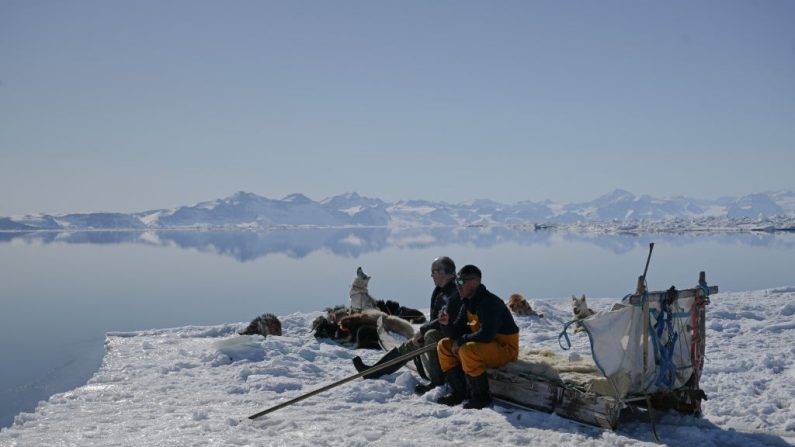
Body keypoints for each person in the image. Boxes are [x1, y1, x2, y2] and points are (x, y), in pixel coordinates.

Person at [351, 256, 462, 394]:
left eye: (433, 272)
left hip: (453, 335)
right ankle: (374, 371)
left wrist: (423, 330)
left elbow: (446, 318)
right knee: (410, 345)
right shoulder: (441, 291)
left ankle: (436, 382)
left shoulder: (455, 290)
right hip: (442, 332)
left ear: (442, 272)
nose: (431, 275)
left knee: (430, 335)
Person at [436, 264, 519, 409]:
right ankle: (459, 392)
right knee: (443, 345)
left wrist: (462, 340)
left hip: (505, 350)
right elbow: (457, 332)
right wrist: (446, 324)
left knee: (467, 349)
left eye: (461, 281)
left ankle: (481, 397)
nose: (457, 285)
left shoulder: (490, 303)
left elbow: (486, 335)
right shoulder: (467, 304)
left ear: (475, 282)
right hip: (485, 348)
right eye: (456, 281)